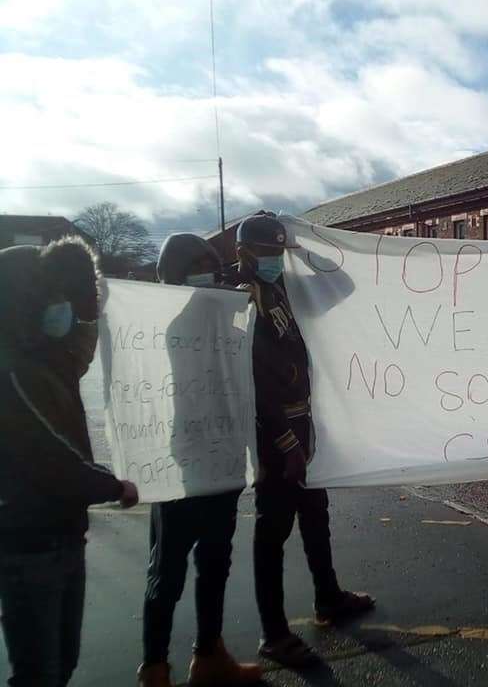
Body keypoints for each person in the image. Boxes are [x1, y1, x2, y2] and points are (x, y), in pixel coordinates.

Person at [0, 240, 139, 687]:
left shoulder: (49, 357)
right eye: (52, 298)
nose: (62, 308)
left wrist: (91, 297)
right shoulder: (12, 372)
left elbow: (83, 331)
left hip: (63, 535)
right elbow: (50, 457)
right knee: (39, 671)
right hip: (28, 544)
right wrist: (114, 487)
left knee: (61, 662)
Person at [239, 212, 375, 667]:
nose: (274, 260)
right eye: (267, 252)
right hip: (274, 434)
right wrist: (285, 445)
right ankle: (274, 633)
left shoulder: (287, 293)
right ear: (244, 255)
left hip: (305, 428)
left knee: (317, 518)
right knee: (272, 533)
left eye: (278, 253)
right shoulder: (246, 305)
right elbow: (257, 386)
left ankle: (328, 597)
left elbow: (344, 284)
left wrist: (300, 248)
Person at [137, 235, 262, 687]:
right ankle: (155, 668)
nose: (214, 273)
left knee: (215, 561)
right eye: (203, 267)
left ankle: (208, 654)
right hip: (186, 464)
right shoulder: (175, 325)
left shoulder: (220, 318)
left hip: (223, 460)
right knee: (168, 568)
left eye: (215, 266)